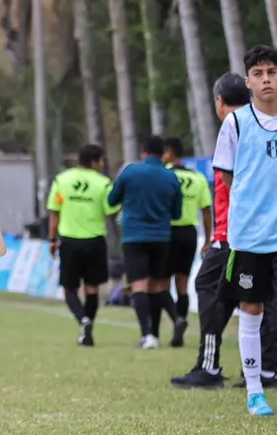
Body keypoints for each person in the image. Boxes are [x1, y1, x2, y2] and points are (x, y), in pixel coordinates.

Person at [212, 44, 277, 418]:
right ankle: (255, 392)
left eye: (272, 72)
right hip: (248, 235)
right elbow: (226, 174)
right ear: (248, 81)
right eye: (258, 74)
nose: (266, 79)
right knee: (252, 309)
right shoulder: (235, 123)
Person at [170, 73, 277, 390]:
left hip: (236, 232)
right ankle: (267, 371)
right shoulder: (260, 126)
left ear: (219, 101)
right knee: (263, 295)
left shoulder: (232, 129)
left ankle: (210, 366)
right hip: (262, 228)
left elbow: (235, 186)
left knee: (209, 286)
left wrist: (224, 233)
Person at [107, 134, 183, 349]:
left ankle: (148, 335)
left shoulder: (131, 172)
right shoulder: (171, 177)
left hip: (135, 236)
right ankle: (177, 317)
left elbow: (111, 200)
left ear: (143, 152)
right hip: (161, 237)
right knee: (159, 285)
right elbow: (177, 213)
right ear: (163, 154)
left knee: (139, 285)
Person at [46, 143, 118, 347]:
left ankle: (83, 321)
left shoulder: (62, 180)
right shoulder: (104, 183)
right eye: (101, 160)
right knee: (92, 288)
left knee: (69, 288)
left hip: (69, 241)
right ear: (95, 162)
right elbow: (111, 211)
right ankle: (89, 324)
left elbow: (54, 212)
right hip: (95, 241)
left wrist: (52, 240)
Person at [161, 137, 212, 348]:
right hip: (189, 234)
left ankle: (176, 320)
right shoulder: (198, 178)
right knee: (182, 284)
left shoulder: (164, 175)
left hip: (166, 232)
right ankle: (178, 331)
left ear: (170, 153)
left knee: (160, 284)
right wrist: (208, 239)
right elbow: (206, 211)